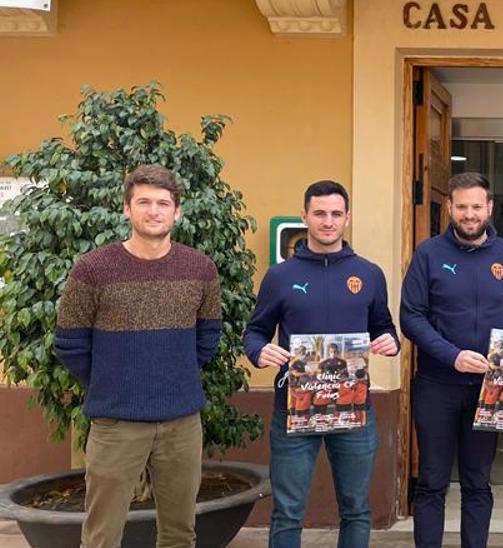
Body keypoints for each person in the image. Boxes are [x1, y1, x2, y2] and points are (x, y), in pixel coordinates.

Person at [54, 164, 222, 548]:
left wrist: (171, 375)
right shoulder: (92, 269)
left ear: (177, 211)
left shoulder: (201, 269)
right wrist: (113, 382)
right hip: (116, 424)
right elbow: (69, 343)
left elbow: (208, 336)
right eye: (143, 202)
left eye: (163, 203)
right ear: (127, 209)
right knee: (101, 536)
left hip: (182, 422)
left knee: (180, 534)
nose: (154, 211)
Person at [243, 180, 400, 548]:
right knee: (287, 510)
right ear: (305, 216)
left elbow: (384, 327)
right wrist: (259, 351)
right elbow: (255, 332)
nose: (328, 222)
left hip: (353, 409)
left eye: (335, 214)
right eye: (319, 214)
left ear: (347, 218)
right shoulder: (281, 276)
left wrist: (390, 342)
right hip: (295, 410)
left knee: (357, 508)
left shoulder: (369, 273)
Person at [401, 172, 503, 548]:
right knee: (433, 482)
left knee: (477, 482)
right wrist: (452, 356)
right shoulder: (427, 254)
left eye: (476, 206)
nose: (469, 214)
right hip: (437, 385)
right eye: (461, 207)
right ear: (449, 209)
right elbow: (410, 317)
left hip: (487, 390)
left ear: (488, 208)